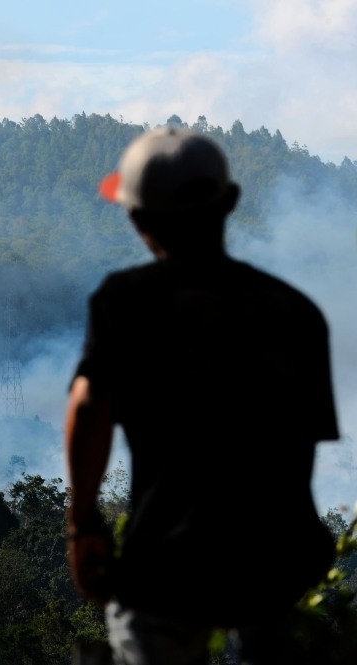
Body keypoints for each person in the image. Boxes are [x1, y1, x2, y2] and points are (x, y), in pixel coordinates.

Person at [64, 126, 339, 664]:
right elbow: (301, 448)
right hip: (277, 564)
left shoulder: (126, 303)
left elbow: (89, 407)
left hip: (166, 561)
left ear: (136, 218)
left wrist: (85, 524)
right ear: (231, 202)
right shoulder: (294, 312)